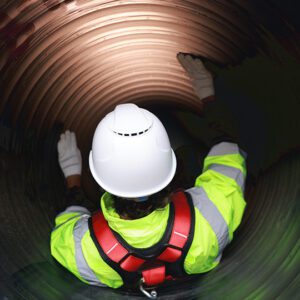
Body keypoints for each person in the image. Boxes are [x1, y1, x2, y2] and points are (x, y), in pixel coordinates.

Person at [51, 53, 247, 298]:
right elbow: (228, 153)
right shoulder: (214, 212)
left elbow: (70, 217)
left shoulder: (79, 250)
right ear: (169, 170)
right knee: (191, 154)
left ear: (103, 181)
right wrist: (206, 93)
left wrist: (72, 173)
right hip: (198, 273)